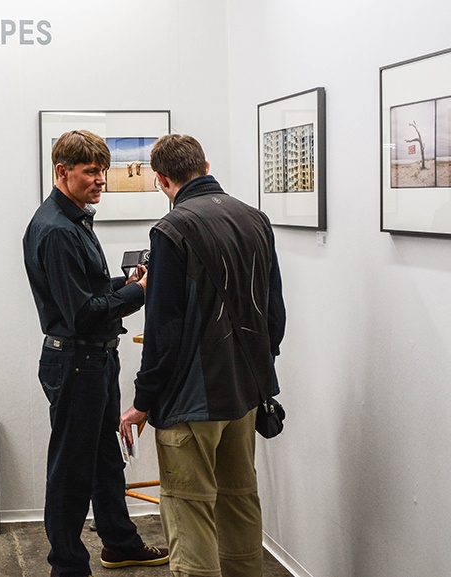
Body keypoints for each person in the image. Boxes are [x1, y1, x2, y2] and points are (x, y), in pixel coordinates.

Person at [120, 134, 286, 577]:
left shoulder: (171, 231)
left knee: (190, 511)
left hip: (192, 401)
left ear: (160, 180)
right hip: (244, 393)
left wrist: (142, 401)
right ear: (206, 165)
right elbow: (275, 313)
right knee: (239, 499)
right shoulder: (256, 219)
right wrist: (258, 370)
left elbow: (163, 332)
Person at [23, 130, 170, 577]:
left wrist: (123, 285)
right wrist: (140, 292)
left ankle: (120, 543)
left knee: (105, 458)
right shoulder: (58, 230)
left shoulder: (73, 221)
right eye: (91, 171)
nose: (101, 180)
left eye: (104, 170)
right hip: (77, 361)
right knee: (71, 471)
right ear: (61, 171)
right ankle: (67, 567)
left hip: (93, 359)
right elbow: (83, 314)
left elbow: (86, 294)